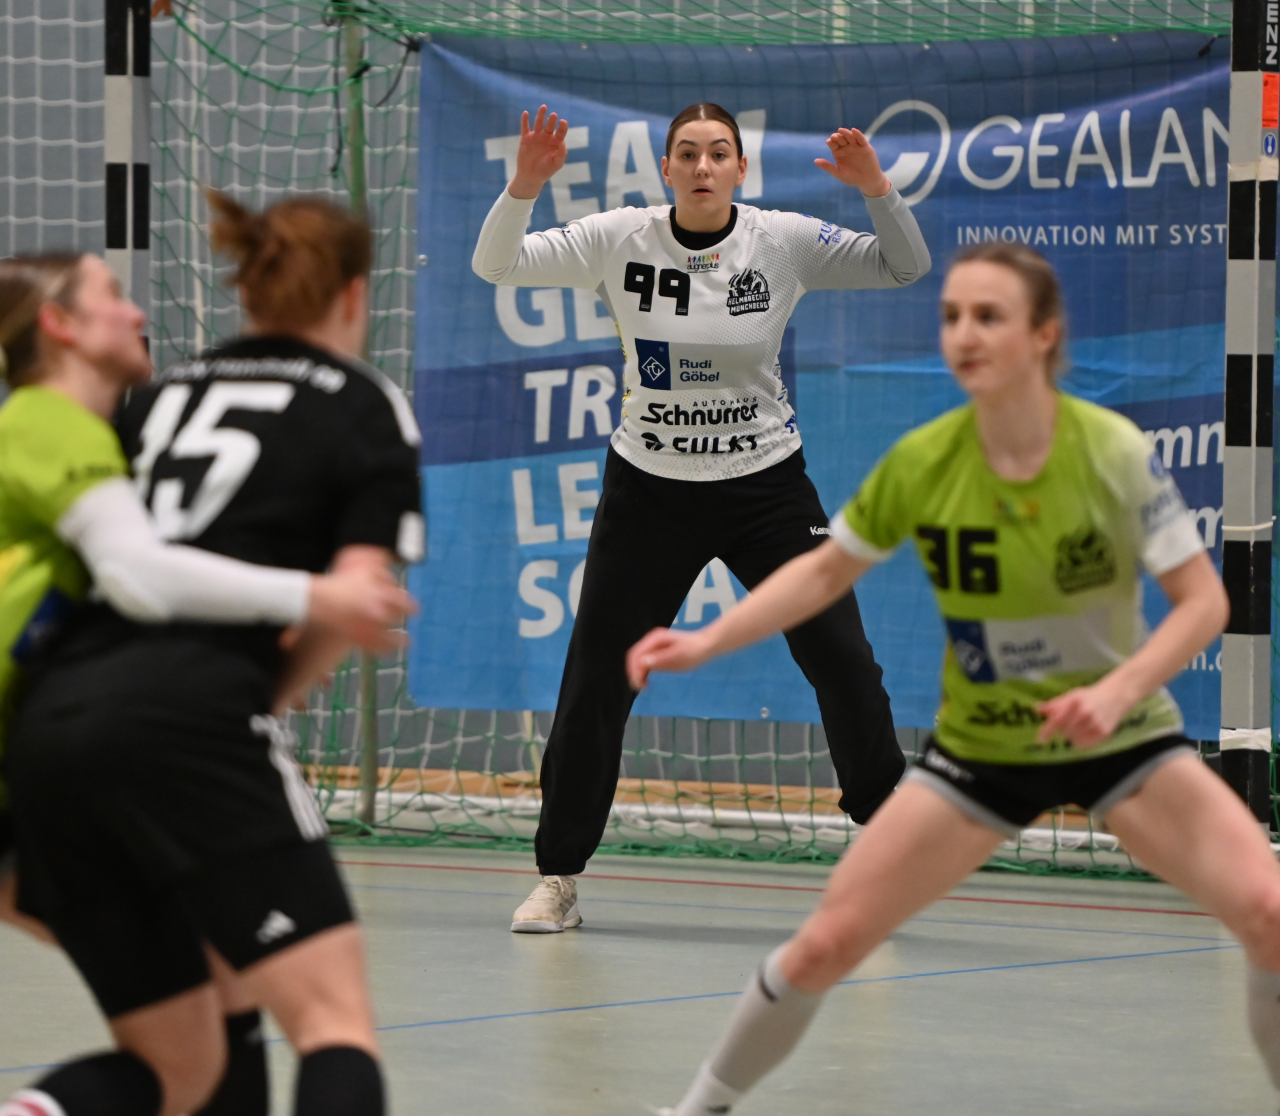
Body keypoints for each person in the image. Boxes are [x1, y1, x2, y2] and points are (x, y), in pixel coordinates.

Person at [626, 241, 1280, 1114]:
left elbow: (1202, 604)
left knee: (1270, 917)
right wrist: (705, 641)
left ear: (1043, 335)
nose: (965, 334)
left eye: (989, 317)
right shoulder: (925, 461)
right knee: (826, 944)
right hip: (984, 752)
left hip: (1122, 740)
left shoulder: (1108, 451)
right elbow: (823, 574)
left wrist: (1118, 692)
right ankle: (697, 1109)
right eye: (952, 317)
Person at [2, 193, 424, 1116]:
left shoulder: (147, 399)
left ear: (248, 288)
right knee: (333, 1023)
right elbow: (352, 601)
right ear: (355, 294)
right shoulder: (363, 401)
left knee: (187, 1057)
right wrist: (264, 693)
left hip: (49, 732)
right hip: (194, 719)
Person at [473, 101, 932, 933]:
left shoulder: (781, 240)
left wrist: (877, 189)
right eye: (687, 153)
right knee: (596, 681)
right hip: (649, 490)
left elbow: (905, 266)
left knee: (843, 660)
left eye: (719, 153)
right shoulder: (621, 237)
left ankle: (889, 850)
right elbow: (496, 265)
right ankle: (559, 875)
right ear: (667, 169)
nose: (703, 166)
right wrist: (525, 187)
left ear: (740, 169)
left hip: (766, 490)